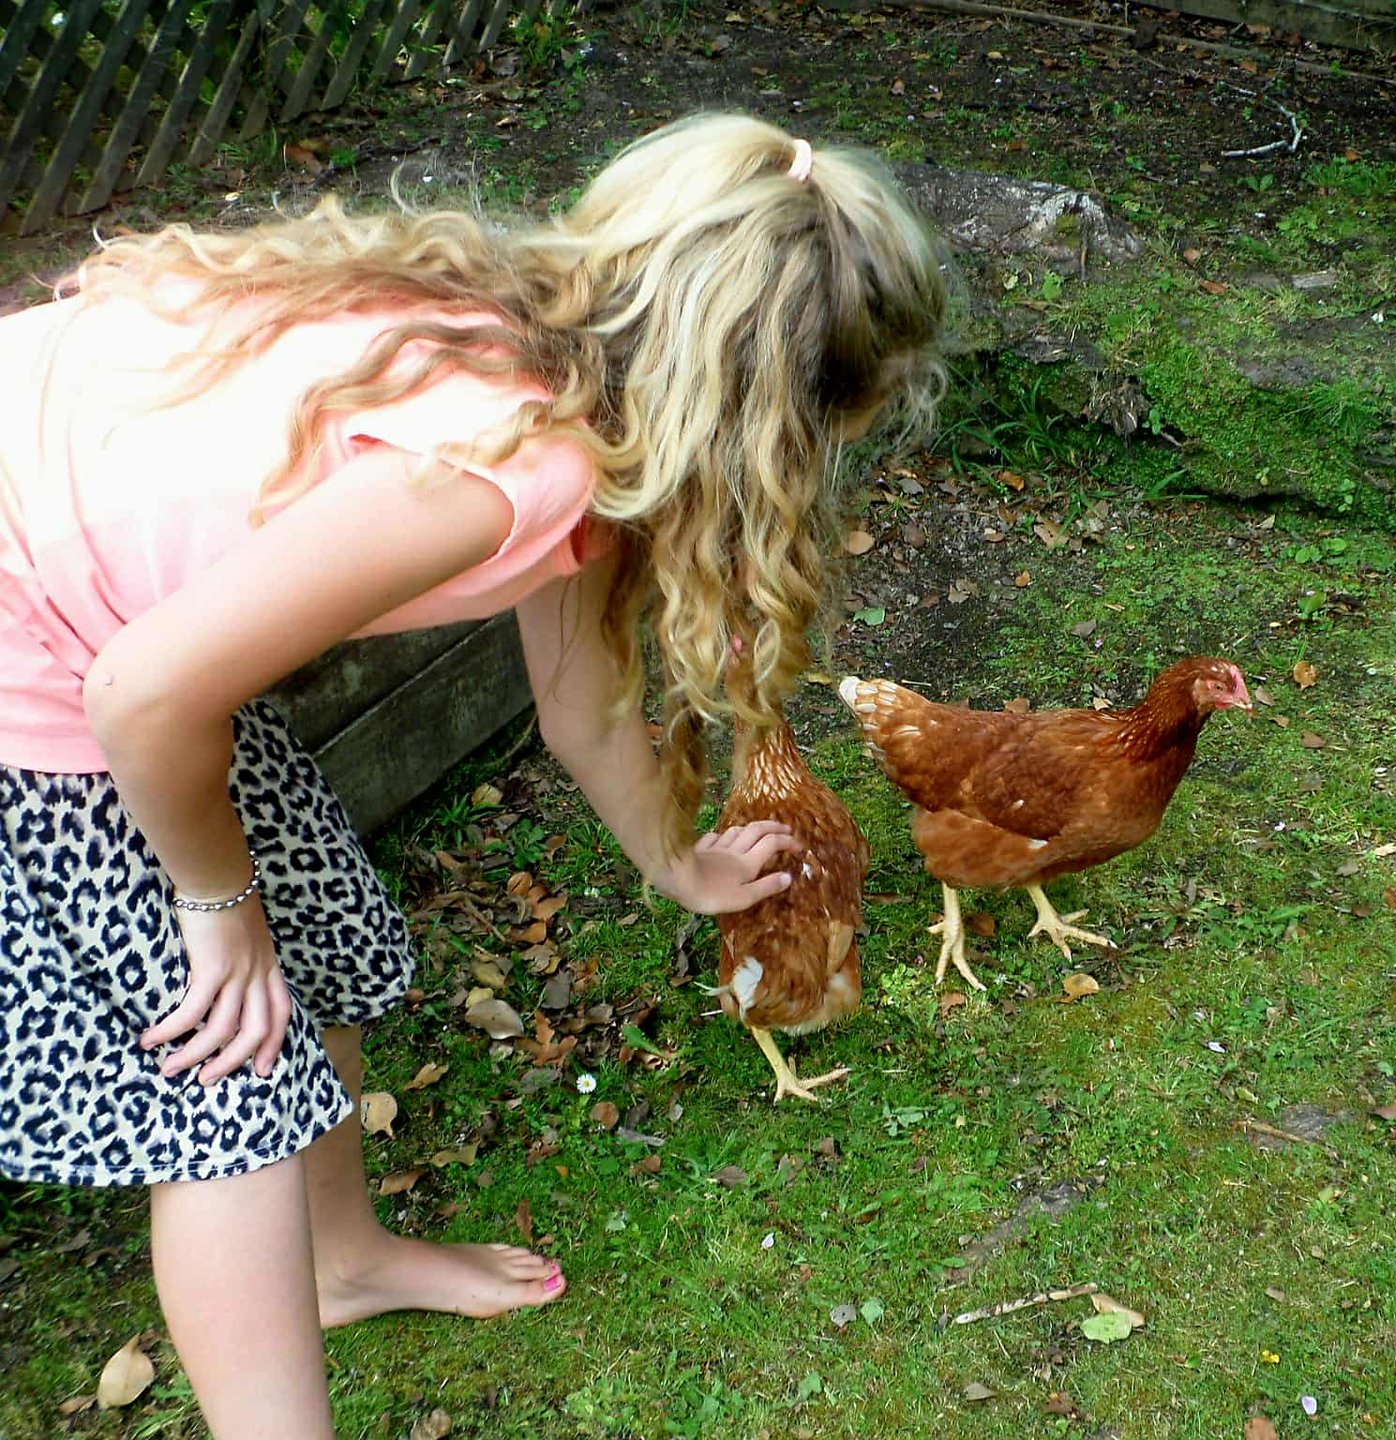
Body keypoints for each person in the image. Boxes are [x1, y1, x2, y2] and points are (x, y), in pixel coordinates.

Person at [0, 113, 946, 1437]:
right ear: (747, 416)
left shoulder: (577, 389)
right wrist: (214, 907)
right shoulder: (506, 470)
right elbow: (143, 698)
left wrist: (679, 862)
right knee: (228, 1071)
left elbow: (577, 698)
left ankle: (340, 1264)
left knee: (316, 932)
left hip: (124, 629)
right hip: (45, 654)